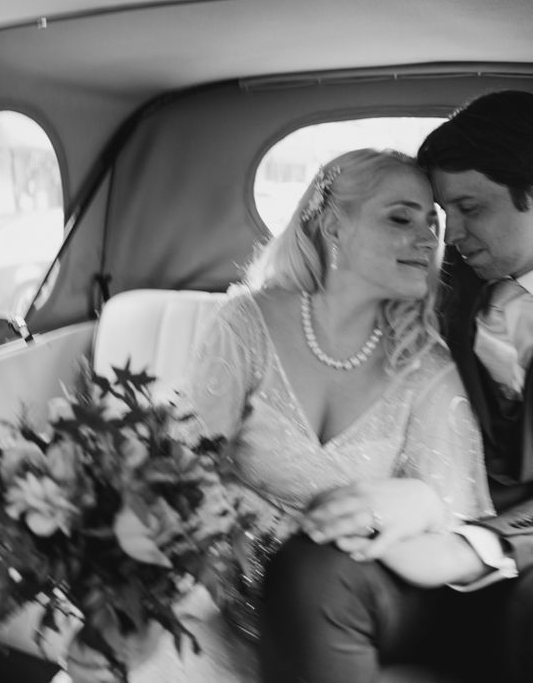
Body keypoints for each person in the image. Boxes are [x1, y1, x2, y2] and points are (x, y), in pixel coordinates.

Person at [63, 147, 494, 683]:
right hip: (225, 603)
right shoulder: (247, 323)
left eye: (433, 222)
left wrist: (415, 509)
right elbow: (181, 473)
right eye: (401, 218)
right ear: (334, 225)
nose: (430, 240)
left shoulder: (426, 368)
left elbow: (462, 530)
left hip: (335, 630)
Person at [261, 90, 533, 683]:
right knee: (315, 571)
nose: (447, 235)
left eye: (469, 208)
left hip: (513, 558)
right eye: (442, 213)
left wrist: (477, 548)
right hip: (423, 545)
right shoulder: (438, 275)